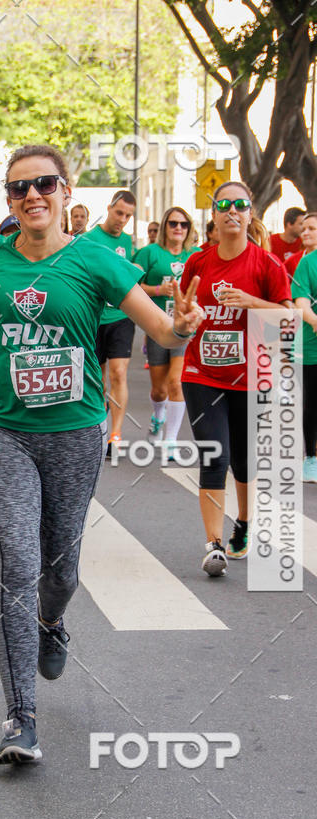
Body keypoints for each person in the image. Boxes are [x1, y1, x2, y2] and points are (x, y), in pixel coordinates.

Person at [0, 144, 203, 765]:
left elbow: (162, 328)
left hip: (73, 432)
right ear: (9, 202)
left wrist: (184, 326)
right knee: (17, 562)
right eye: (19, 189)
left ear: (67, 191)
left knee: (59, 570)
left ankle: (52, 622)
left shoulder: (97, 261)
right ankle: (21, 717)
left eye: (44, 184)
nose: (32, 195)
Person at [180, 181, 291, 576]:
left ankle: (242, 522)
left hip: (251, 376)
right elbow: (183, 312)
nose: (232, 211)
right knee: (215, 456)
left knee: (244, 461)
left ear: (250, 213)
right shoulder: (198, 262)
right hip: (201, 373)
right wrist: (184, 318)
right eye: (223, 204)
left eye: (240, 205)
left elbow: (287, 317)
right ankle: (213, 545)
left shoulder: (266, 264)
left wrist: (252, 303)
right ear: (213, 215)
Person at [134, 207, 199, 452]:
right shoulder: (149, 253)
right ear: (165, 226)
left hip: (184, 329)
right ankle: (158, 415)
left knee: (176, 383)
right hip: (158, 326)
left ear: (189, 228)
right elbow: (133, 287)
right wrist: (160, 291)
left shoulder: (195, 255)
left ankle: (171, 439)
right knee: (159, 390)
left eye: (183, 224)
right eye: (173, 223)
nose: (178, 228)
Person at [82, 189, 137, 451]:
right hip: (94, 319)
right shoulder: (90, 239)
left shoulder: (128, 243)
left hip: (121, 317)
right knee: (97, 377)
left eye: (127, 216)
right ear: (109, 208)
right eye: (118, 213)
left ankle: (115, 435)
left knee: (119, 372)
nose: (122, 219)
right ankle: (98, 428)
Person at [288, 212, 317, 482]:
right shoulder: (306, 264)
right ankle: (311, 457)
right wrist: (314, 320)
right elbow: (301, 302)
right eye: (304, 228)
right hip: (311, 346)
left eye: (312, 228)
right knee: (311, 403)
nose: (306, 232)